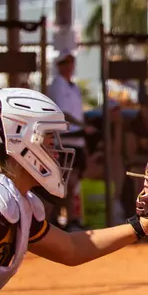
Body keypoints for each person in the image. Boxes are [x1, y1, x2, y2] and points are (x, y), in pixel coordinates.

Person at [0, 88, 148, 295]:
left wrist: (145, 223)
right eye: (49, 139)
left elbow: (72, 248)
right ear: (20, 139)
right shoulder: (0, 202)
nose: (56, 149)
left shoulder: (19, 204)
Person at [45, 49, 96, 231]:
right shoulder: (57, 84)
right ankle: (58, 219)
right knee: (63, 181)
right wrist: (83, 127)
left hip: (76, 140)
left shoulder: (73, 87)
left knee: (72, 182)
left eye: (71, 62)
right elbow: (62, 113)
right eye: (65, 63)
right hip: (63, 139)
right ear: (59, 66)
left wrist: (82, 130)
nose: (69, 66)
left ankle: (70, 219)